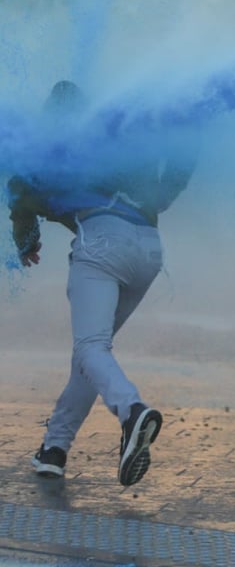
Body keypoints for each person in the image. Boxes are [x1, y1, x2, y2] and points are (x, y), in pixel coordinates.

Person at [9, 80, 196, 486]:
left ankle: (131, 413)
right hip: (148, 249)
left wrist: (27, 243)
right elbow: (187, 145)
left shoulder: (51, 152)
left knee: (92, 348)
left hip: (101, 244)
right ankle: (54, 449)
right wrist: (164, 194)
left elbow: (20, 194)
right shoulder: (119, 132)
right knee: (94, 354)